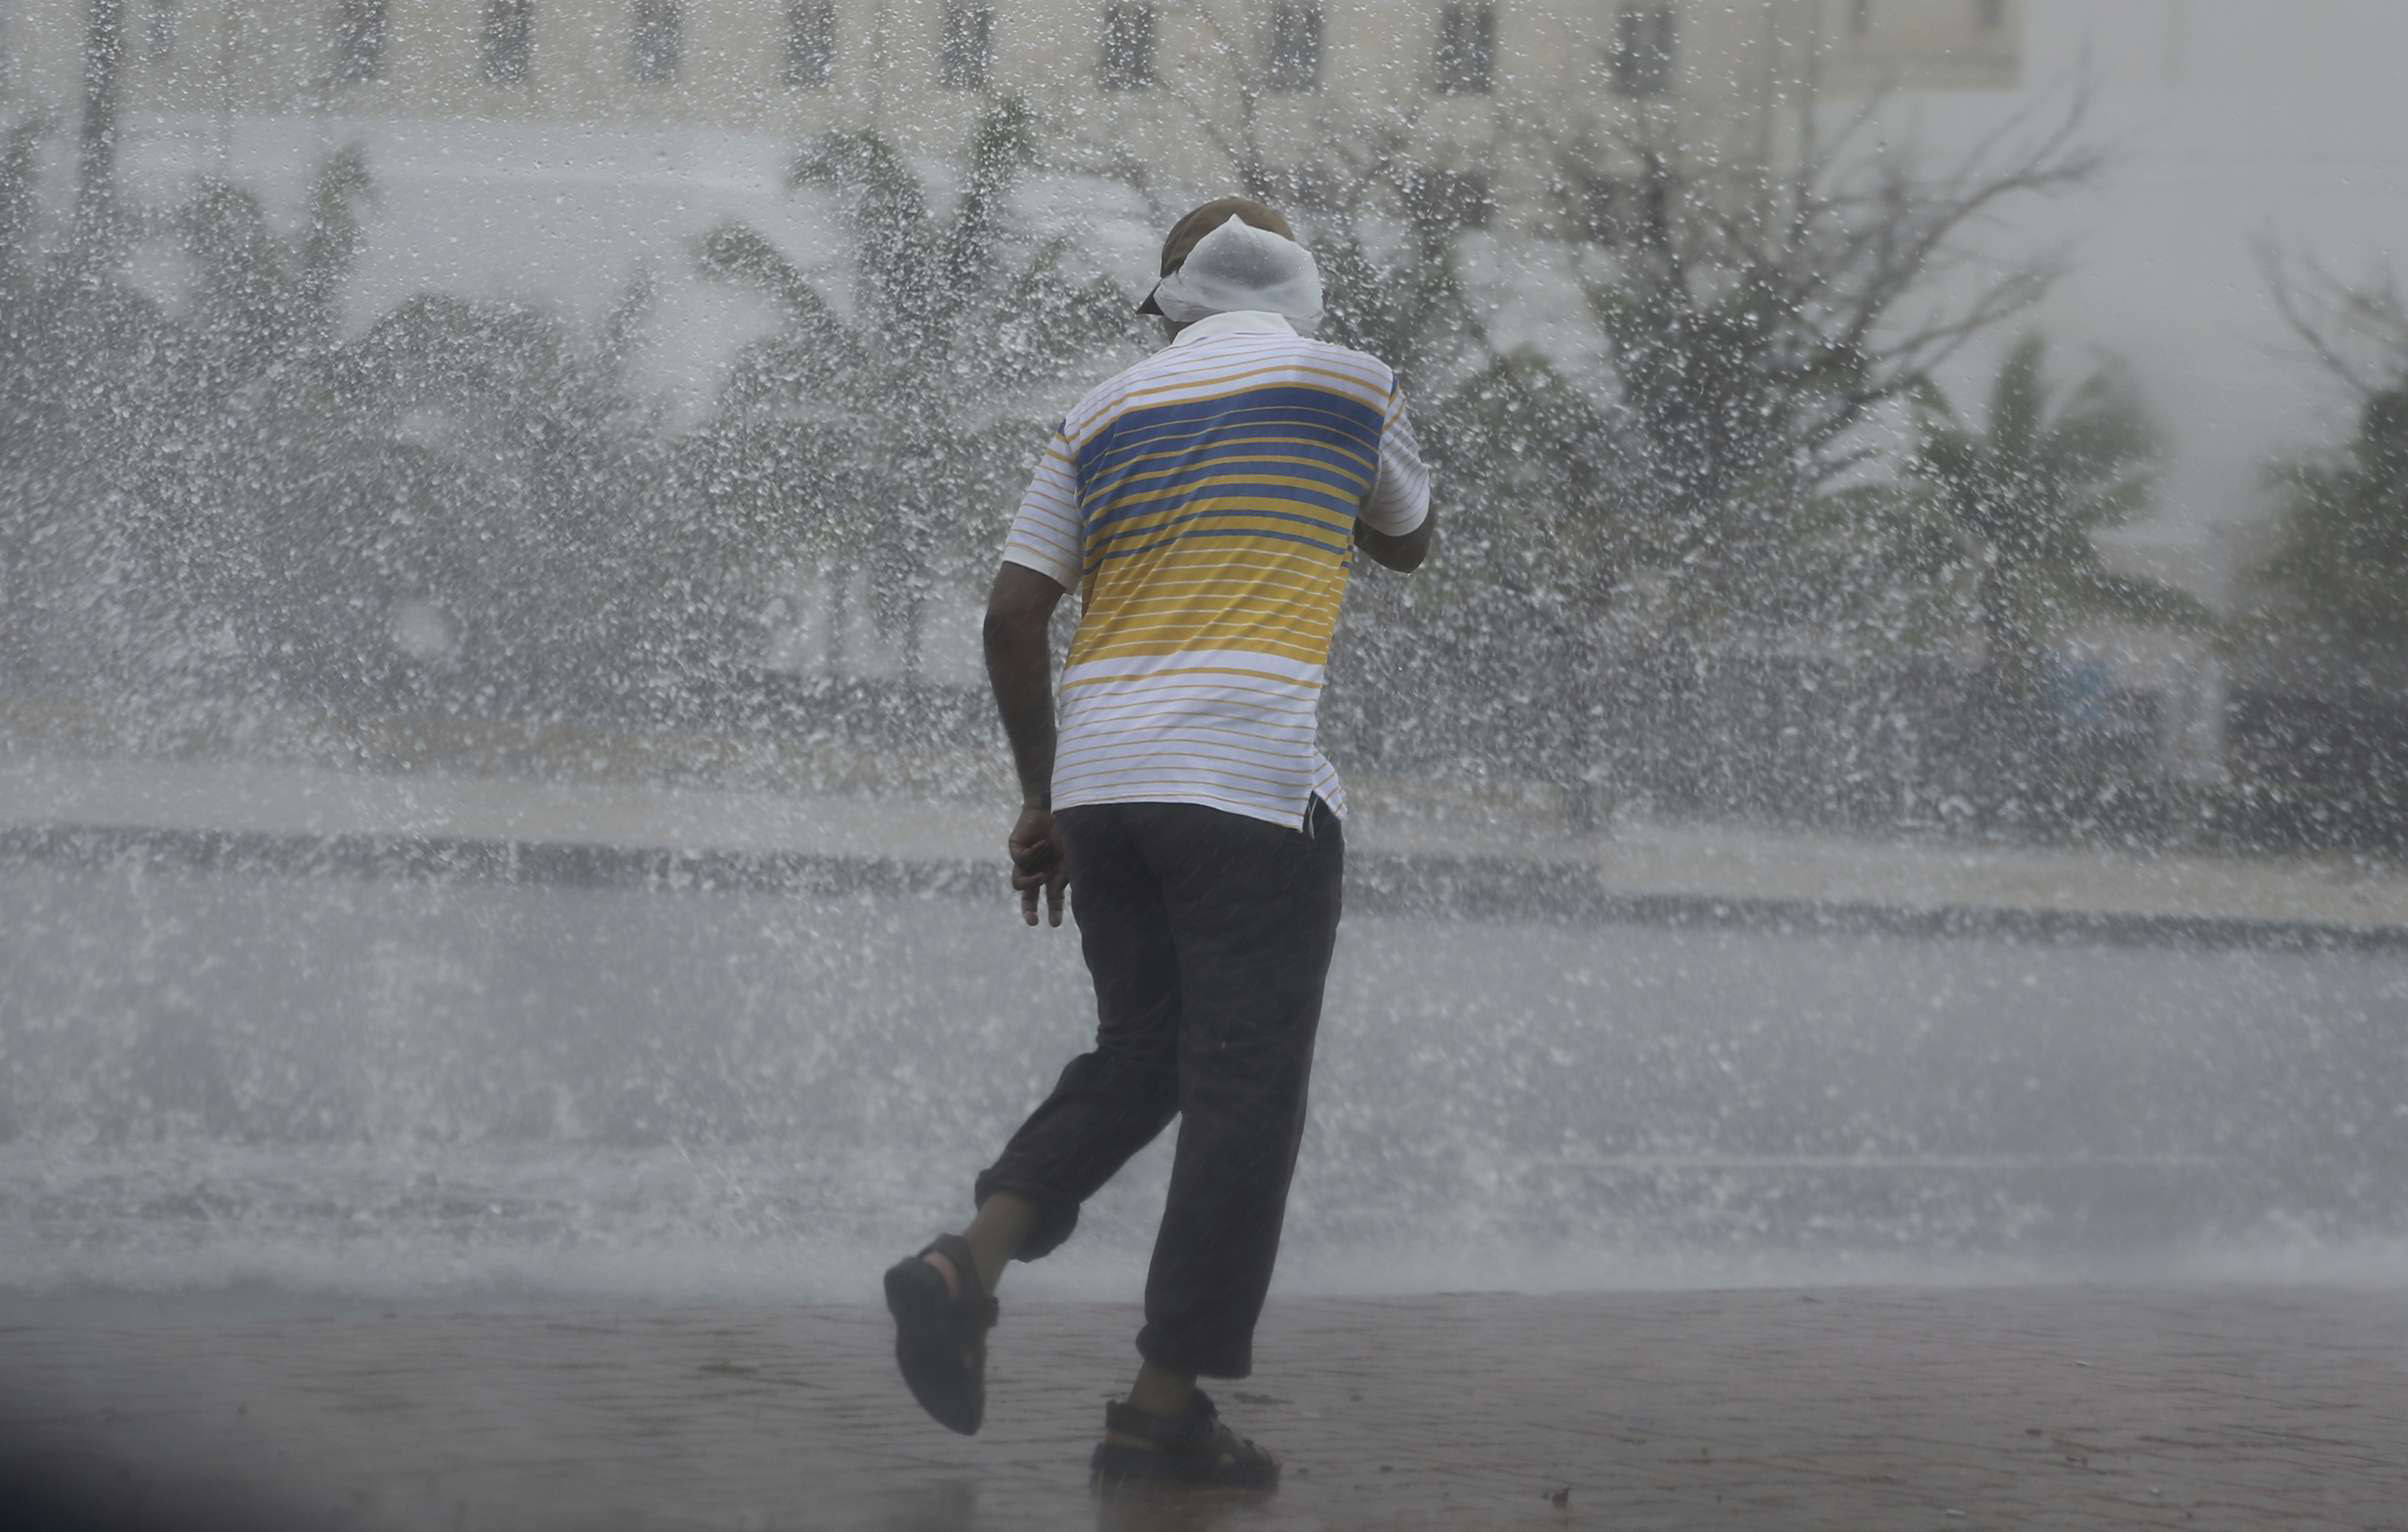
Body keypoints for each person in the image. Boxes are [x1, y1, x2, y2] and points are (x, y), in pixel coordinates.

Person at [882, 196, 1435, 1491]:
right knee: (1245, 1094)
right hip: (1248, 787)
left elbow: (1015, 617)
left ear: (1170, 296)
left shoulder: (1104, 409)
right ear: (1299, 286)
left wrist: (1042, 798)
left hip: (1107, 786)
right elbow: (1409, 541)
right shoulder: (1354, 384)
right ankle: (1162, 1408)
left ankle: (967, 1263)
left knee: (1143, 1051)